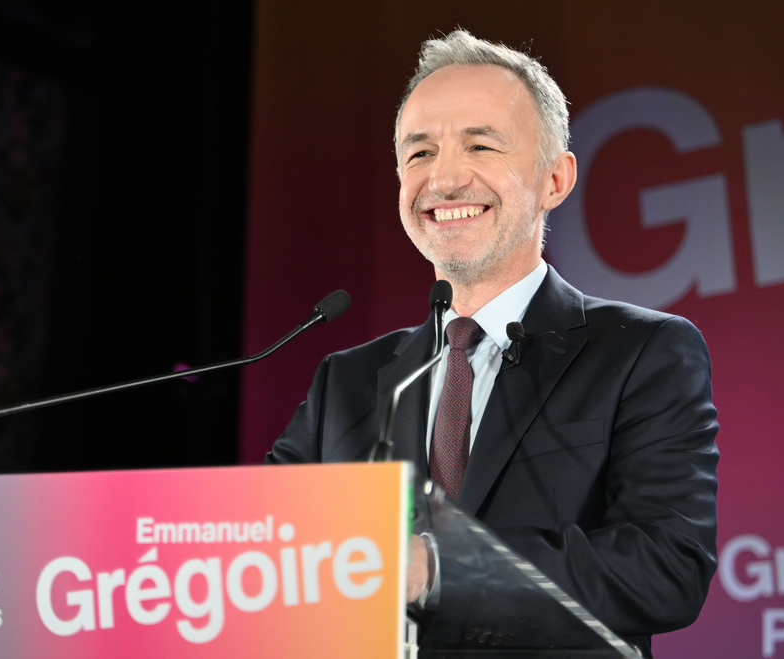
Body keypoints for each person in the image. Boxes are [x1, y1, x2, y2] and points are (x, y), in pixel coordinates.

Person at [266, 29, 718, 657]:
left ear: (555, 179)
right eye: (420, 153)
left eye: (480, 145)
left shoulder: (643, 352)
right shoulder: (346, 383)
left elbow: (665, 567)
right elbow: (265, 552)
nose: (445, 178)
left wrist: (436, 570)